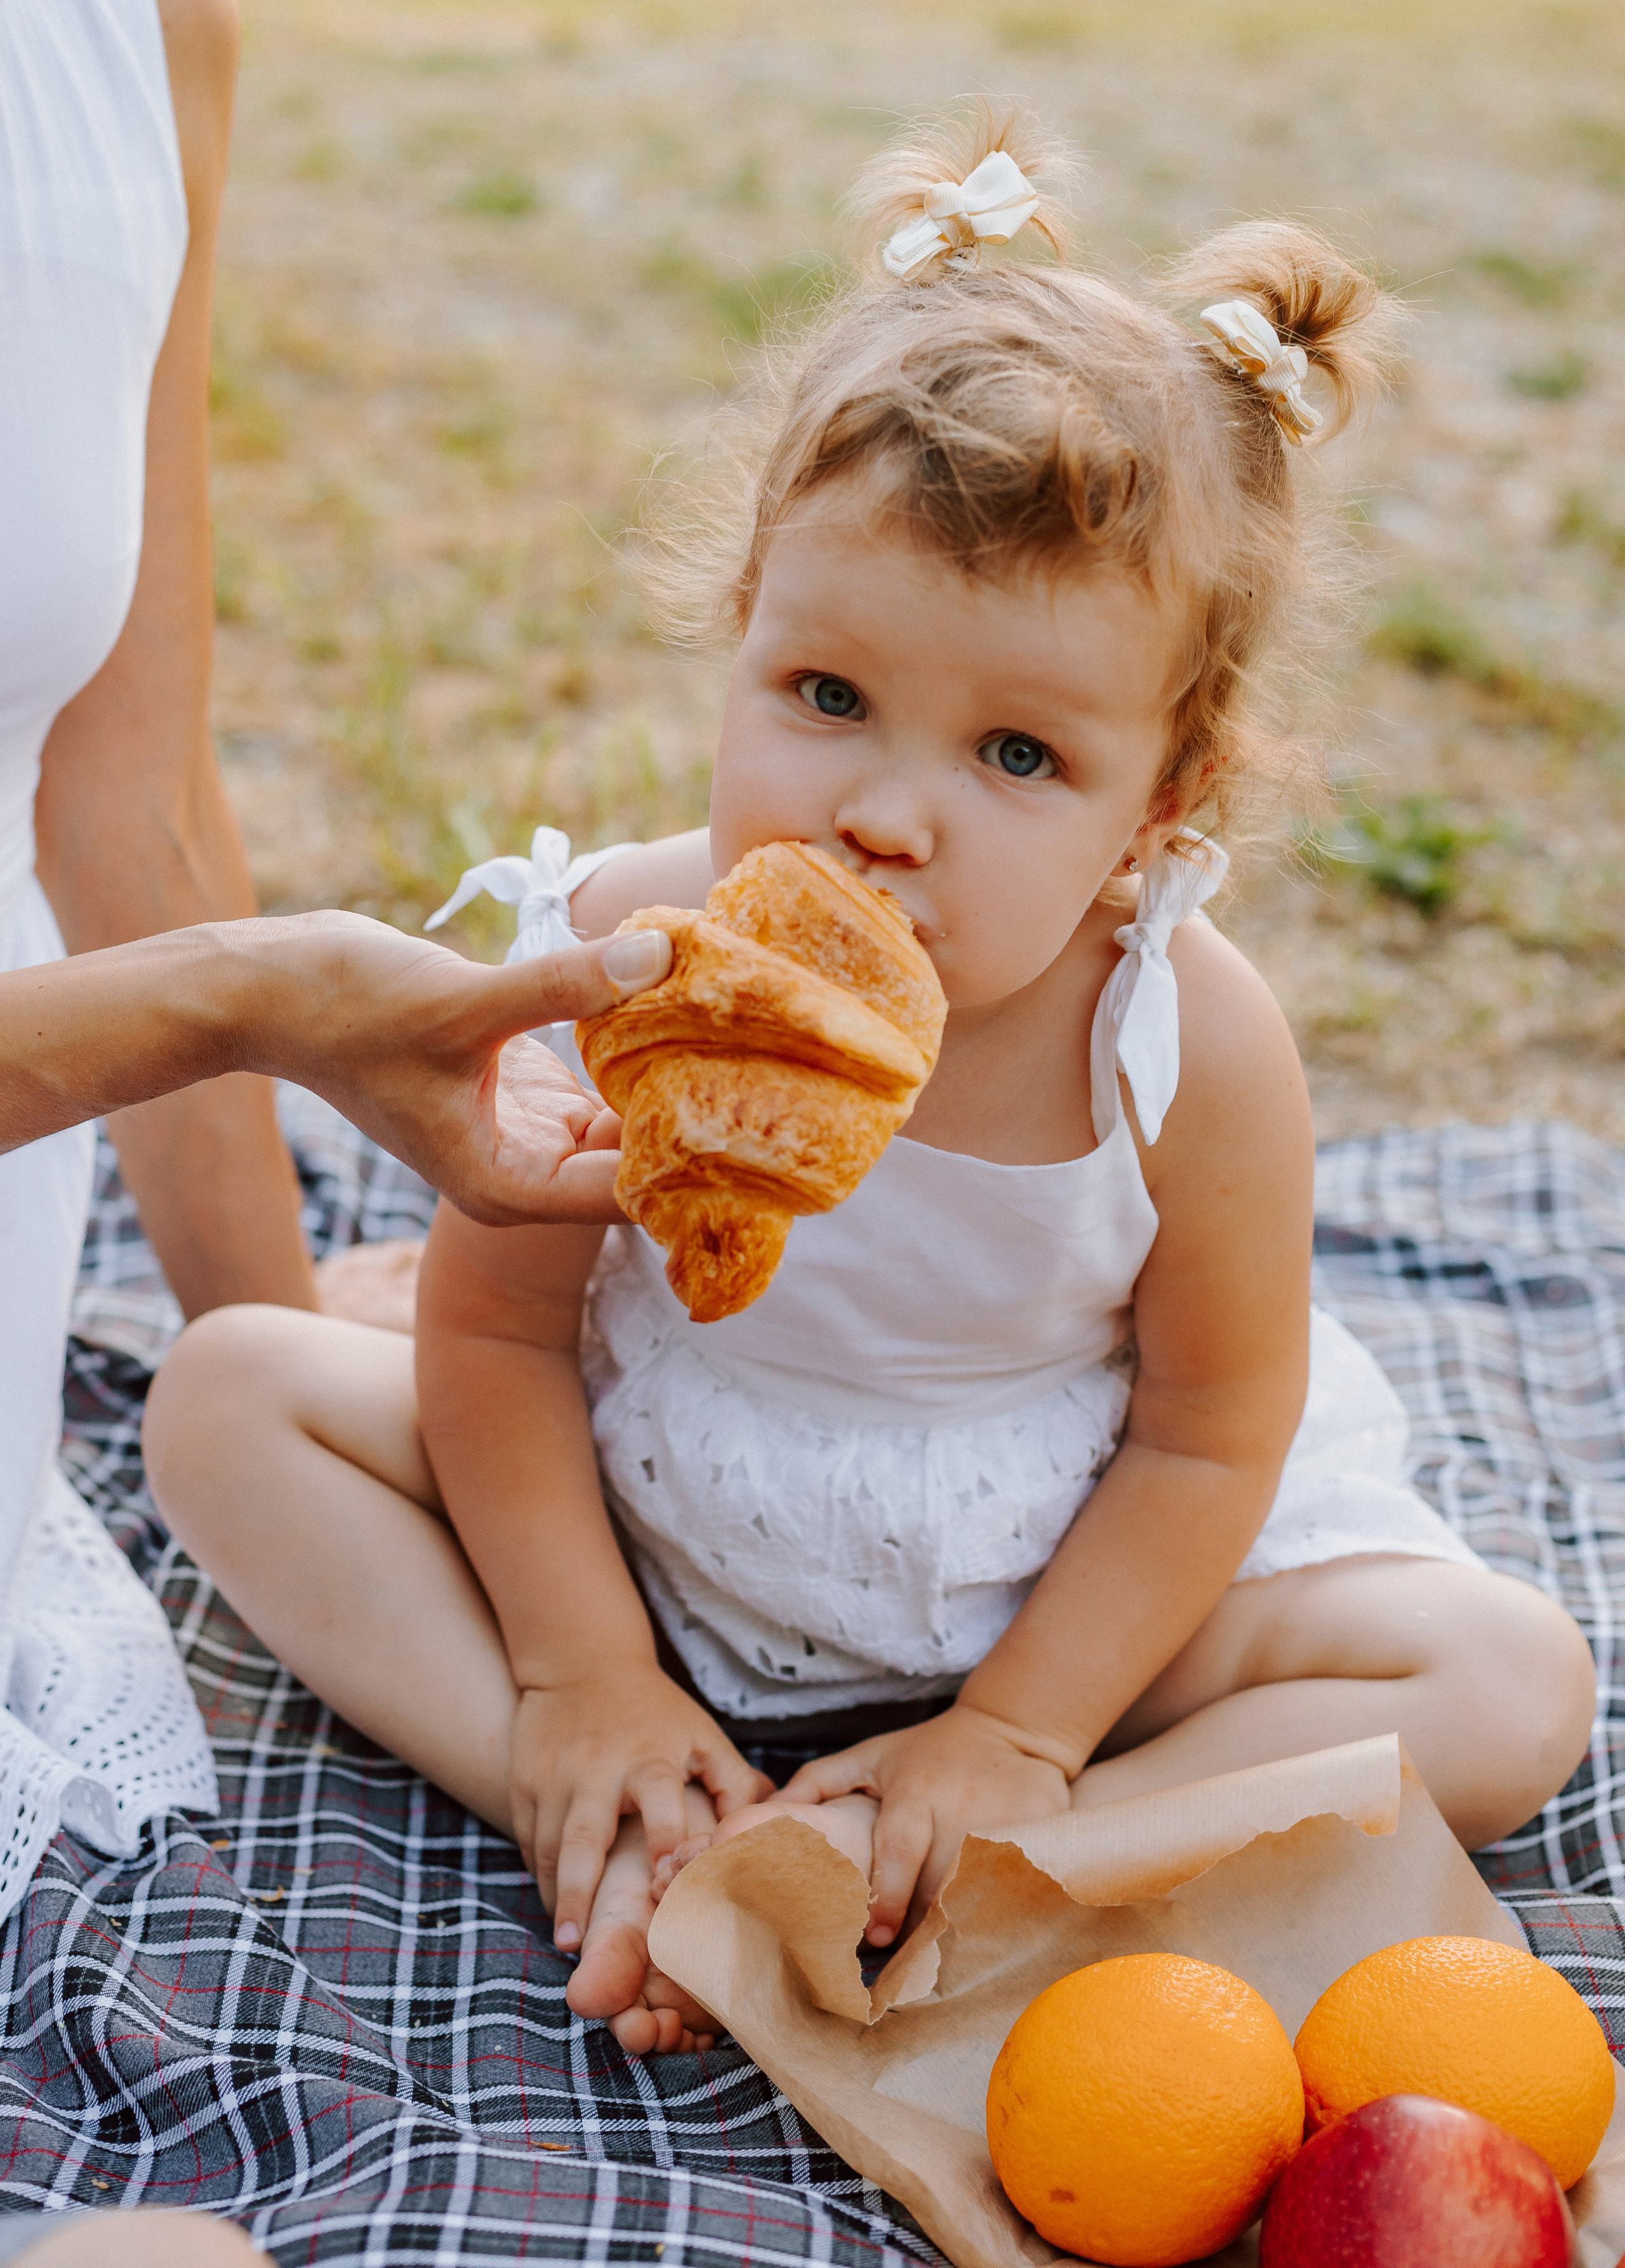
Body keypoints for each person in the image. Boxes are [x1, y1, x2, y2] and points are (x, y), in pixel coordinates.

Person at [144, 112, 1597, 2061]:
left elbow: (1205, 1433)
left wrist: (1024, 1729)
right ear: (741, 627)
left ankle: (990, 1847)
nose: (888, 816)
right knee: (226, 1395)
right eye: (826, 698)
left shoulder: (1185, 1047)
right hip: (668, 1513)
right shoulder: (621, 954)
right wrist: (577, 1665)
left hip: (1047, 1578)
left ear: (1163, 804)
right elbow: (491, 1343)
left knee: (1509, 1684)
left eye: (1017, 756)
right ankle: (634, 1822)